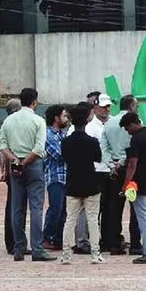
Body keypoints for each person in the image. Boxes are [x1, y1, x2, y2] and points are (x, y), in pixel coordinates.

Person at [0, 87, 56, 262]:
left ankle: (19, 248)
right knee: (36, 208)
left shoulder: (9, 121)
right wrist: (26, 162)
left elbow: (3, 145)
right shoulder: (38, 121)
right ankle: (37, 248)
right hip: (33, 164)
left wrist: (15, 160)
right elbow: (39, 149)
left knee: (17, 208)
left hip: (15, 165)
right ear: (34, 102)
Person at [60, 104, 105, 264]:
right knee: (92, 219)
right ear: (86, 120)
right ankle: (95, 253)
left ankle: (66, 254)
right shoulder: (91, 141)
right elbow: (98, 158)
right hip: (90, 182)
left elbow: (64, 158)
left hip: (72, 182)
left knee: (70, 219)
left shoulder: (66, 142)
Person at [99, 94, 139, 255]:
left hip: (114, 169)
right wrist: (122, 161)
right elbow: (134, 148)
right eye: (136, 106)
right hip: (130, 166)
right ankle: (135, 242)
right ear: (131, 106)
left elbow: (104, 147)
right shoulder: (136, 123)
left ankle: (114, 243)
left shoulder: (109, 123)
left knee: (114, 207)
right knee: (135, 206)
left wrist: (112, 164)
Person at [120, 112, 146, 264]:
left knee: (143, 217)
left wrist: (125, 185)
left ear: (132, 125)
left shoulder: (136, 139)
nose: (127, 131)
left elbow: (132, 165)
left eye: (127, 128)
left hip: (139, 183)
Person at [41, 104, 69, 251]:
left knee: (64, 210)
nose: (66, 118)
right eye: (64, 116)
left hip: (66, 177)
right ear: (56, 118)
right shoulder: (48, 135)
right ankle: (47, 237)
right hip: (55, 177)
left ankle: (58, 239)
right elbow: (59, 154)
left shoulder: (63, 134)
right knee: (56, 208)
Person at [0, 98, 25, 255]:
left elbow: (1, 150)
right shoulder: (14, 124)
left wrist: (3, 170)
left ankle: (12, 241)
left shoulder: (6, 124)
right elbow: (3, 149)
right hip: (16, 168)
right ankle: (15, 242)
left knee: (13, 205)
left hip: (10, 169)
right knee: (16, 207)